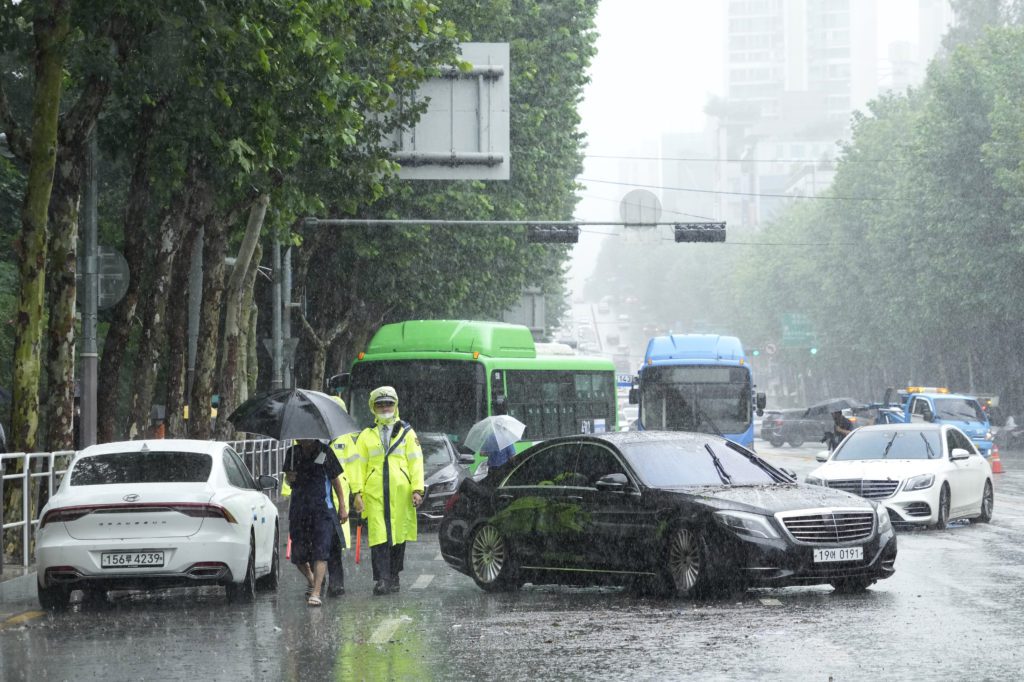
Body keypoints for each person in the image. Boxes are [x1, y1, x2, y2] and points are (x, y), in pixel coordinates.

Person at [351, 386, 424, 596]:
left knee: (398, 537)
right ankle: (382, 578)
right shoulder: (365, 435)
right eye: (380, 404)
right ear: (373, 407)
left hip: (400, 494)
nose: (385, 408)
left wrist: (417, 489)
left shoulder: (407, 432)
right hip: (374, 494)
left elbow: (416, 461)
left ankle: (394, 575)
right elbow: (358, 465)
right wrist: (357, 493)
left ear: (396, 405)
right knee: (378, 536)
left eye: (389, 403)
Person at [283, 438, 348, 606]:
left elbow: (335, 480)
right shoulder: (292, 453)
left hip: (321, 510)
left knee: (321, 552)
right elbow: (288, 481)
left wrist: (342, 505)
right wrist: (289, 478)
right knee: (298, 556)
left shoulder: (325, 451)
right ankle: (312, 580)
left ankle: (317, 592)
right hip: (299, 510)